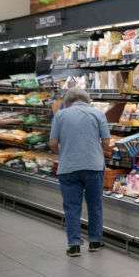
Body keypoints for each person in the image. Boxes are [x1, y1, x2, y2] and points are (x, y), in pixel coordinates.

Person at [49, 88, 111, 257]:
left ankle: (74, 245)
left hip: (68, 167)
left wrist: (64, 151)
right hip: (94, 166)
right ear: (87, 100)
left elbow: (53, 143)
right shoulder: (98, 114)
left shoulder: (60, 115)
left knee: (71, 207)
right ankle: (95, 242)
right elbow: (106, 143)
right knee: (95, 205)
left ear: (68, 101)